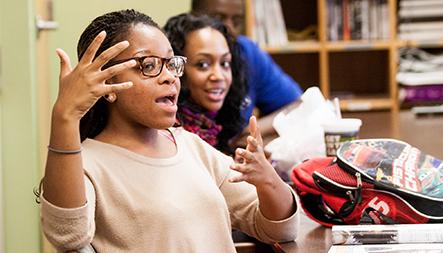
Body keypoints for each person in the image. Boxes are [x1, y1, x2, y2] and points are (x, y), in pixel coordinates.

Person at [37, 9, 299, 252]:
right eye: (148, 65)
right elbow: (68, 236)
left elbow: (280, 228)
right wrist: (65, 116)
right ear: (107, 82)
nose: (170, 77)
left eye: (172, 63)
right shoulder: (88, 164)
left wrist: (267, 180)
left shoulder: (191, 146)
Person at [191, 0, 303, 145]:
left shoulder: (246, 52)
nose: (229, 28)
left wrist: (249, 132)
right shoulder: (176, 54)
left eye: (237, 21)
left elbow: (298, 105)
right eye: (218, 18)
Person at [163, 13, 247, 155]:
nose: (218, 76)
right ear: (176, 69)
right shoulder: (169, 136)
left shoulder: (215, 125)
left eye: (225, 63)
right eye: (203, 65)